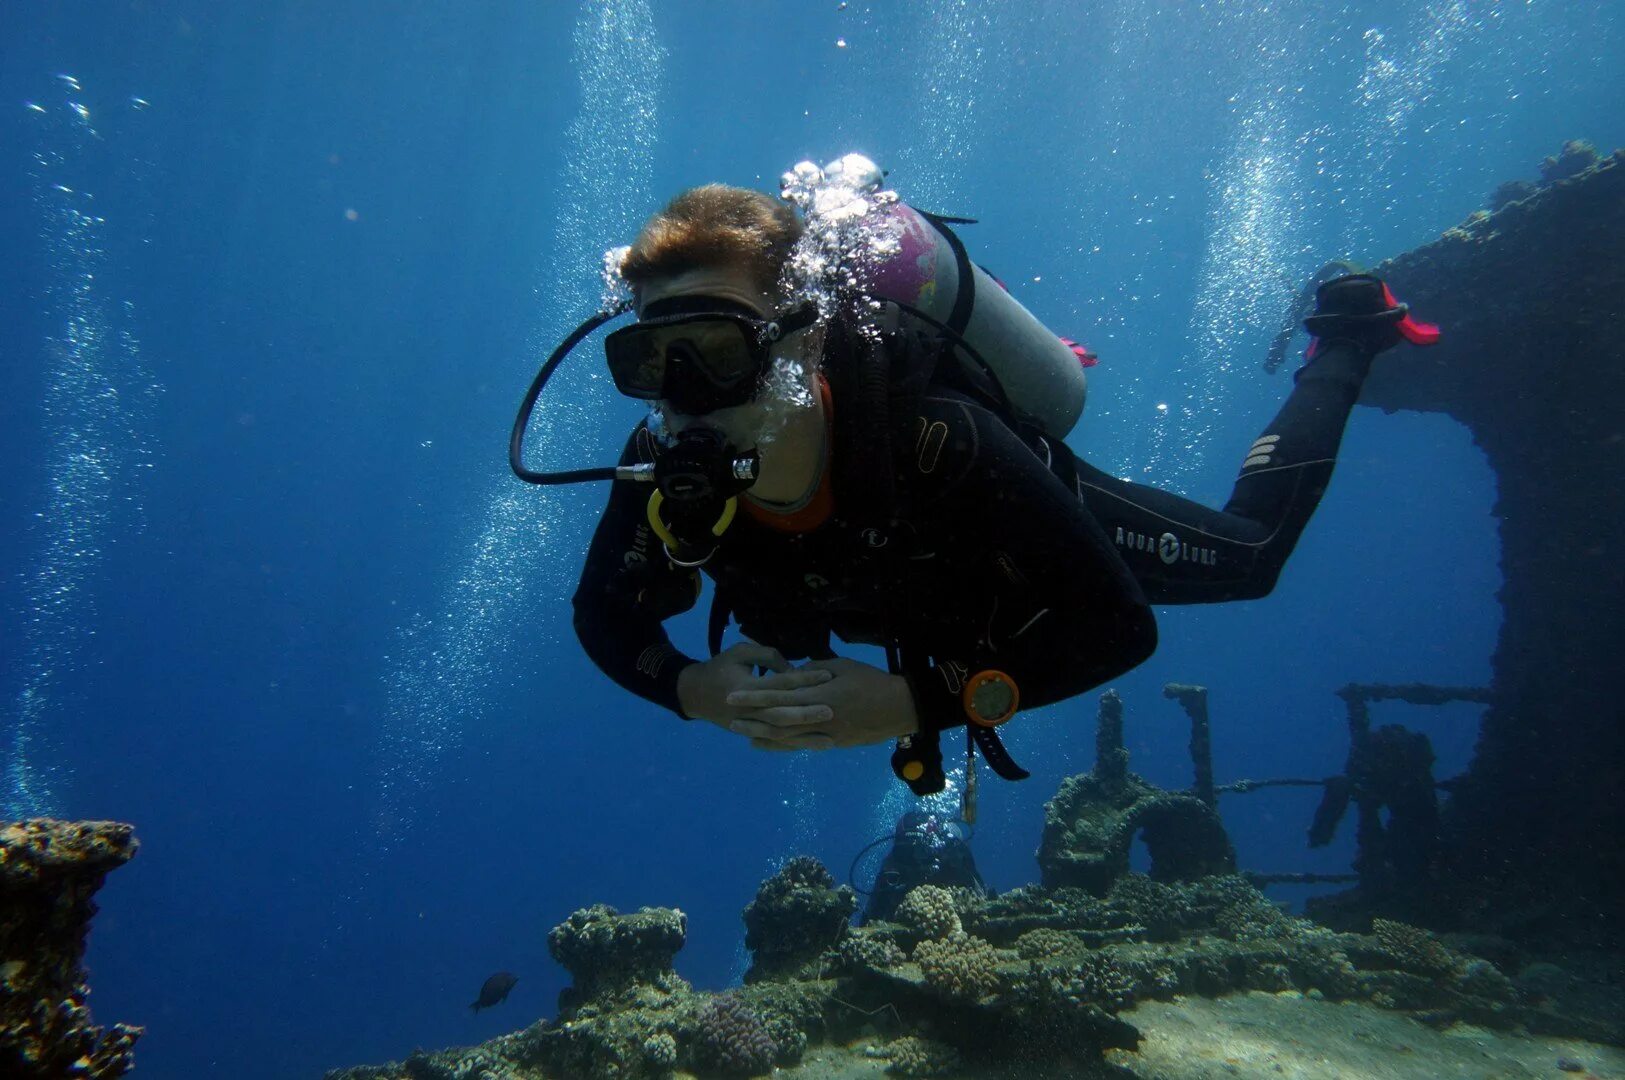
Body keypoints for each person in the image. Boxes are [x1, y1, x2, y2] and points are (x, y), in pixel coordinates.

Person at [565, 175, 1438, 795]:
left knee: (1252, 556)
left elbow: (1117, 629)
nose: (683, 395)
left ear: (803, 337)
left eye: (717, 351)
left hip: (1000, 543)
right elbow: (605, 611)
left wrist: (913, 702)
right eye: (650, 360)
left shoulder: (936, 438)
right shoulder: (659, 465)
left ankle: (1346, 336)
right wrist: (691, 688)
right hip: (894, 594)